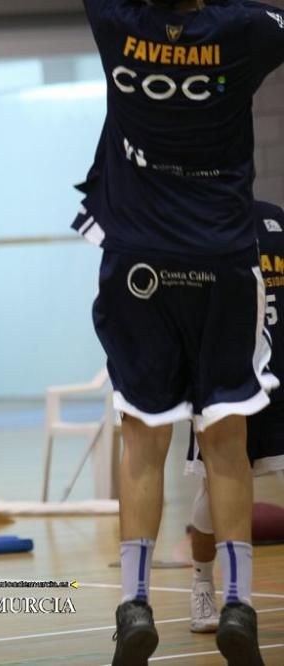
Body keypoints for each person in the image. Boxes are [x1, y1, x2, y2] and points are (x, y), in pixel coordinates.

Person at [77, 1, 284, 663]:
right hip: (222, 258)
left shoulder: (116, 22)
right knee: (226, 438)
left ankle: (135, 603)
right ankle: (238, 606)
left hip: (137, 260)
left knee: (143, 438)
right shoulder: (247, 29)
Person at [184, 199, 284, 633]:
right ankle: (204, 583)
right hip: (222, 379)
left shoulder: (276, 220)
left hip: (278, 375)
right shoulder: (192, 225)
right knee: (216, 491)